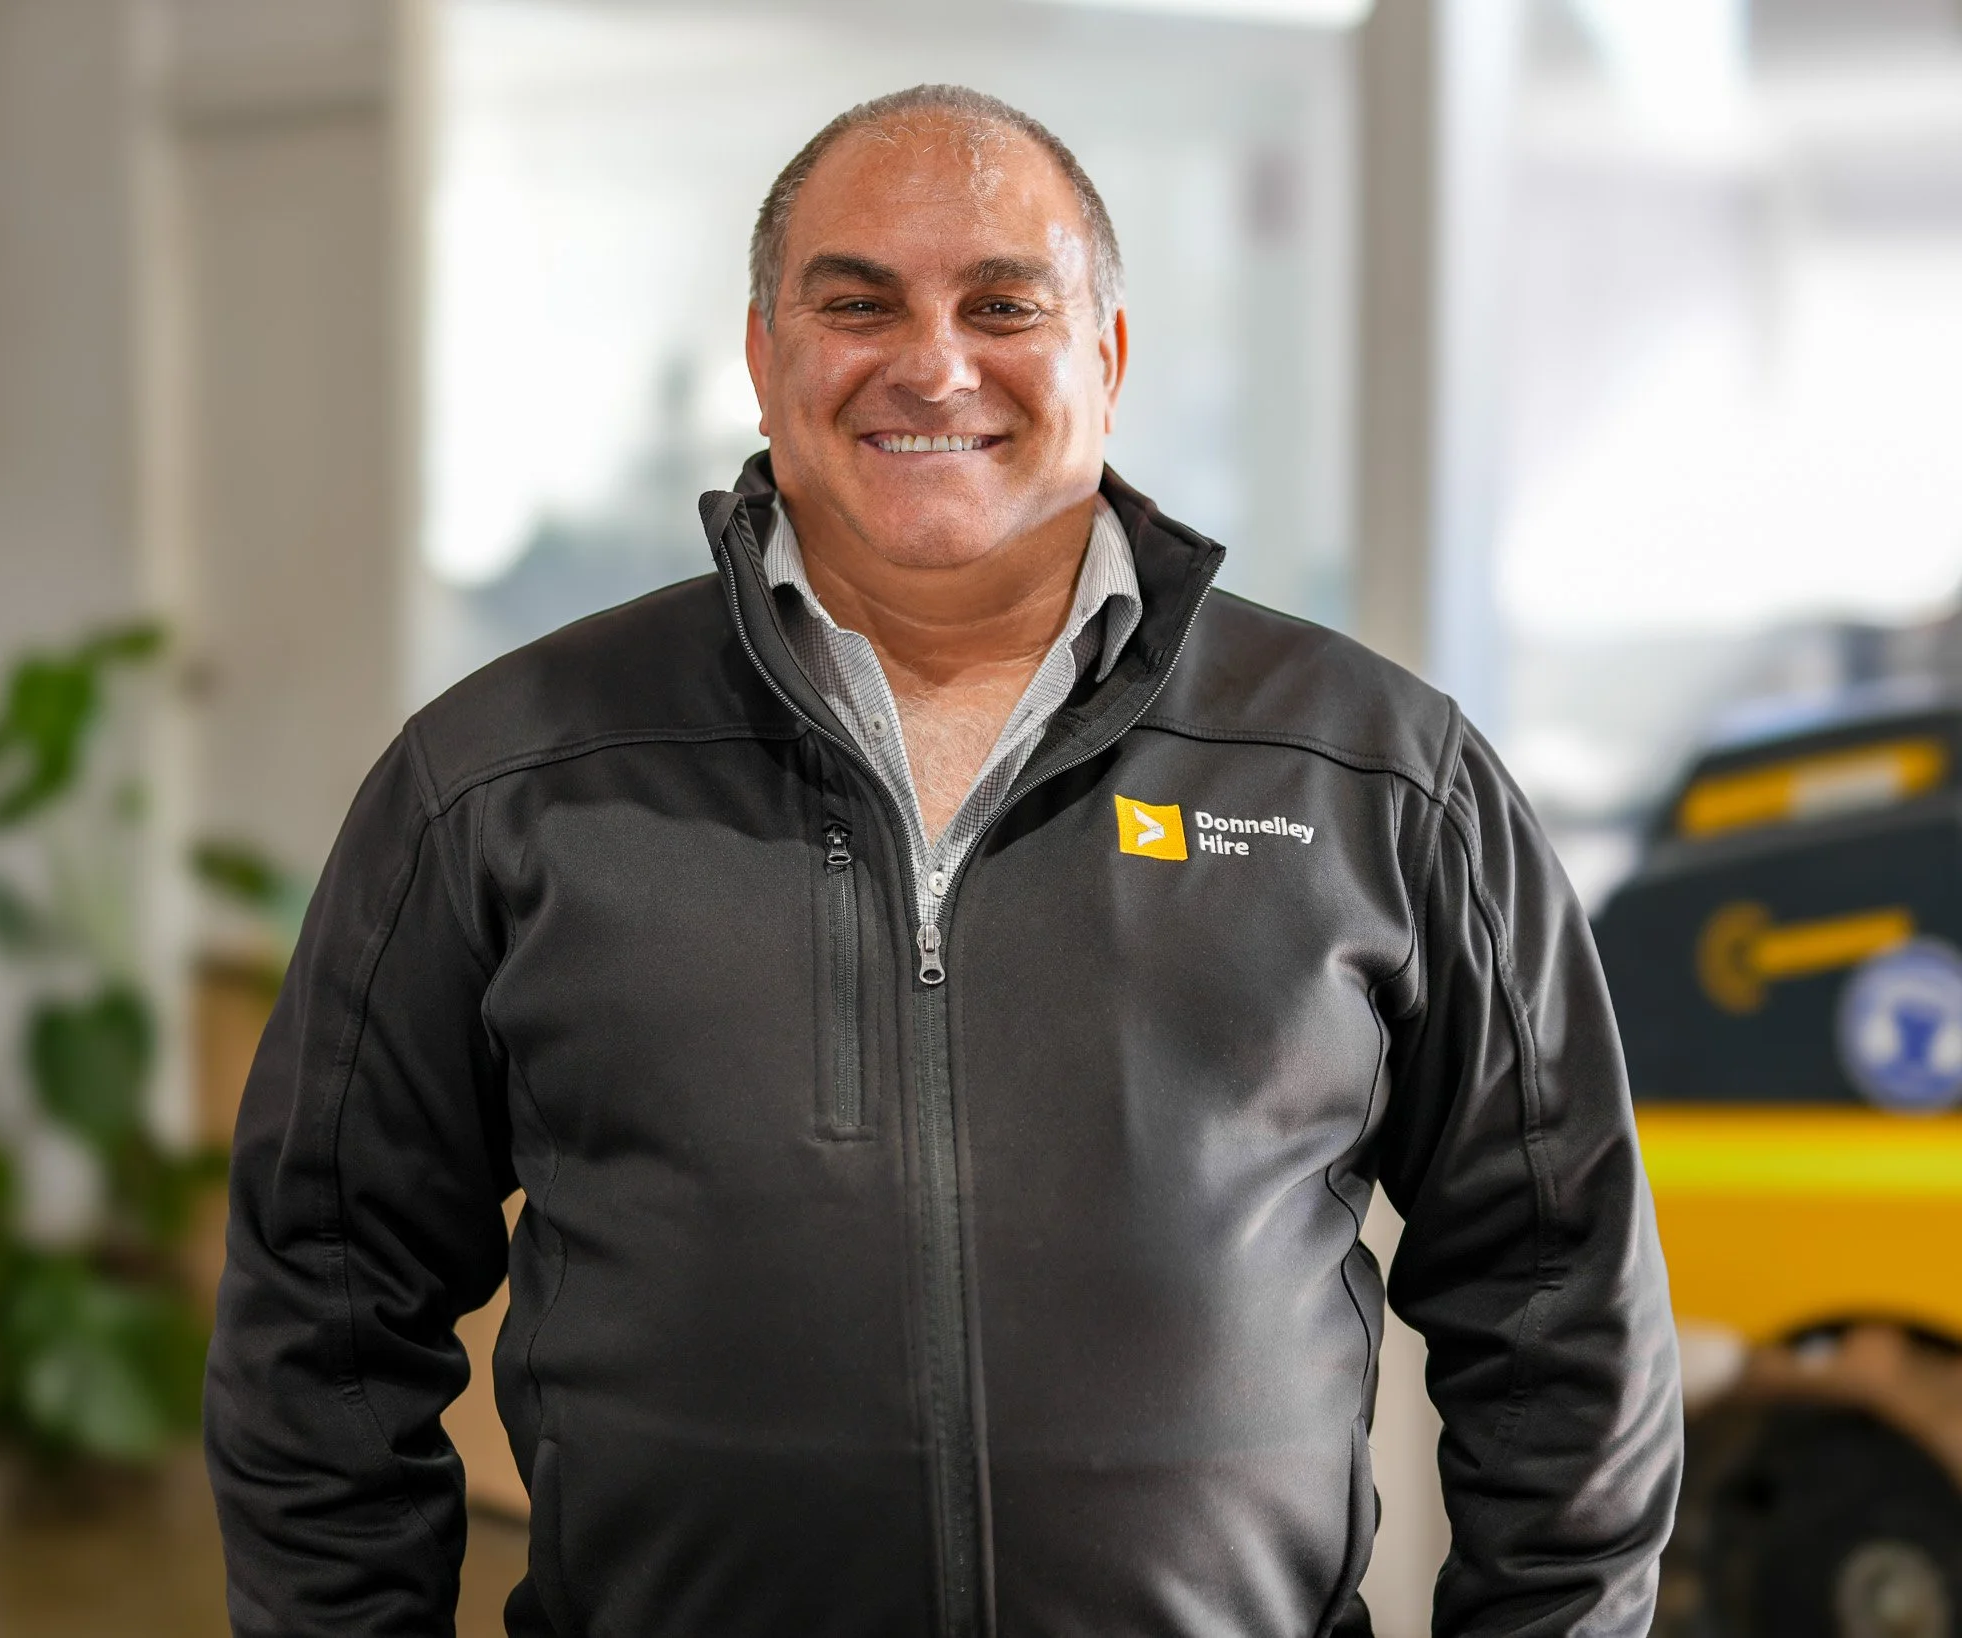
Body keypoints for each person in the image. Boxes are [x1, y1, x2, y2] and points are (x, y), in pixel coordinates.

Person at [205, 84, 1682, 1637]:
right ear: (767, 357)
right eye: (857, 303)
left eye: (1002, 304)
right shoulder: (505, 779)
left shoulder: (1378, 775)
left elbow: (1557, 1305)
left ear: (1103, 356)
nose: (932, 361)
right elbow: (329, 1309)